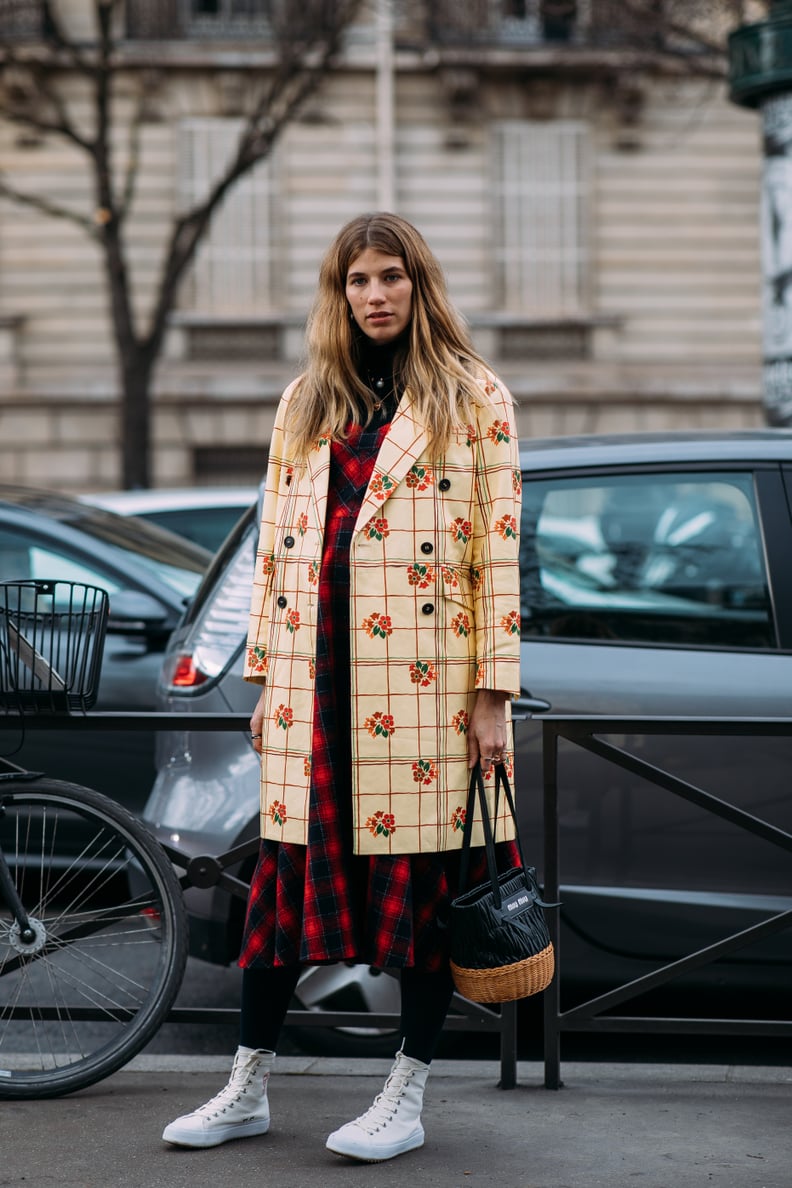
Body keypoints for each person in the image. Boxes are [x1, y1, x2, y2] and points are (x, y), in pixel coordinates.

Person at [162, 212, 523, 1161]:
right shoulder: (306, 401)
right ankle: (246, 1087)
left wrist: (494, 695)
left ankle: (404, 1096)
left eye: (390, 277)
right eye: (358, 279)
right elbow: (274, 554)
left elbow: (501, 555)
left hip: (424, 693)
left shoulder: (472, 395)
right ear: (339, 291)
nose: (375, 295)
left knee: (419, 902)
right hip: (312, 690)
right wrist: (260, 679)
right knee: (280, 901)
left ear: (418, 284)